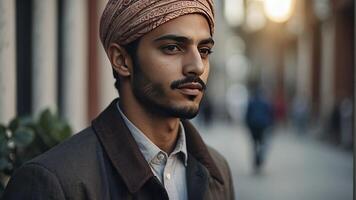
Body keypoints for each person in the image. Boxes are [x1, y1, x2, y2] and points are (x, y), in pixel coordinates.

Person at [2, 0, 235, 199]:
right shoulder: (54, 183)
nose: (196, 66)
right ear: (122, 60)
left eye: (204, 51)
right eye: (173, 47)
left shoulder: (217, 171)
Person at [245, 86, 273, 173]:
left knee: (254, 144)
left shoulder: (251, 102)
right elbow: (270, 114)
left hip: (253, 125)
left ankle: (256, 159)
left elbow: (247, 115)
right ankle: (259, 158)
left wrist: (248, 125)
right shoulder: (265, 102)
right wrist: (269, 124)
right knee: (262, 143)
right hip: (262, 126)